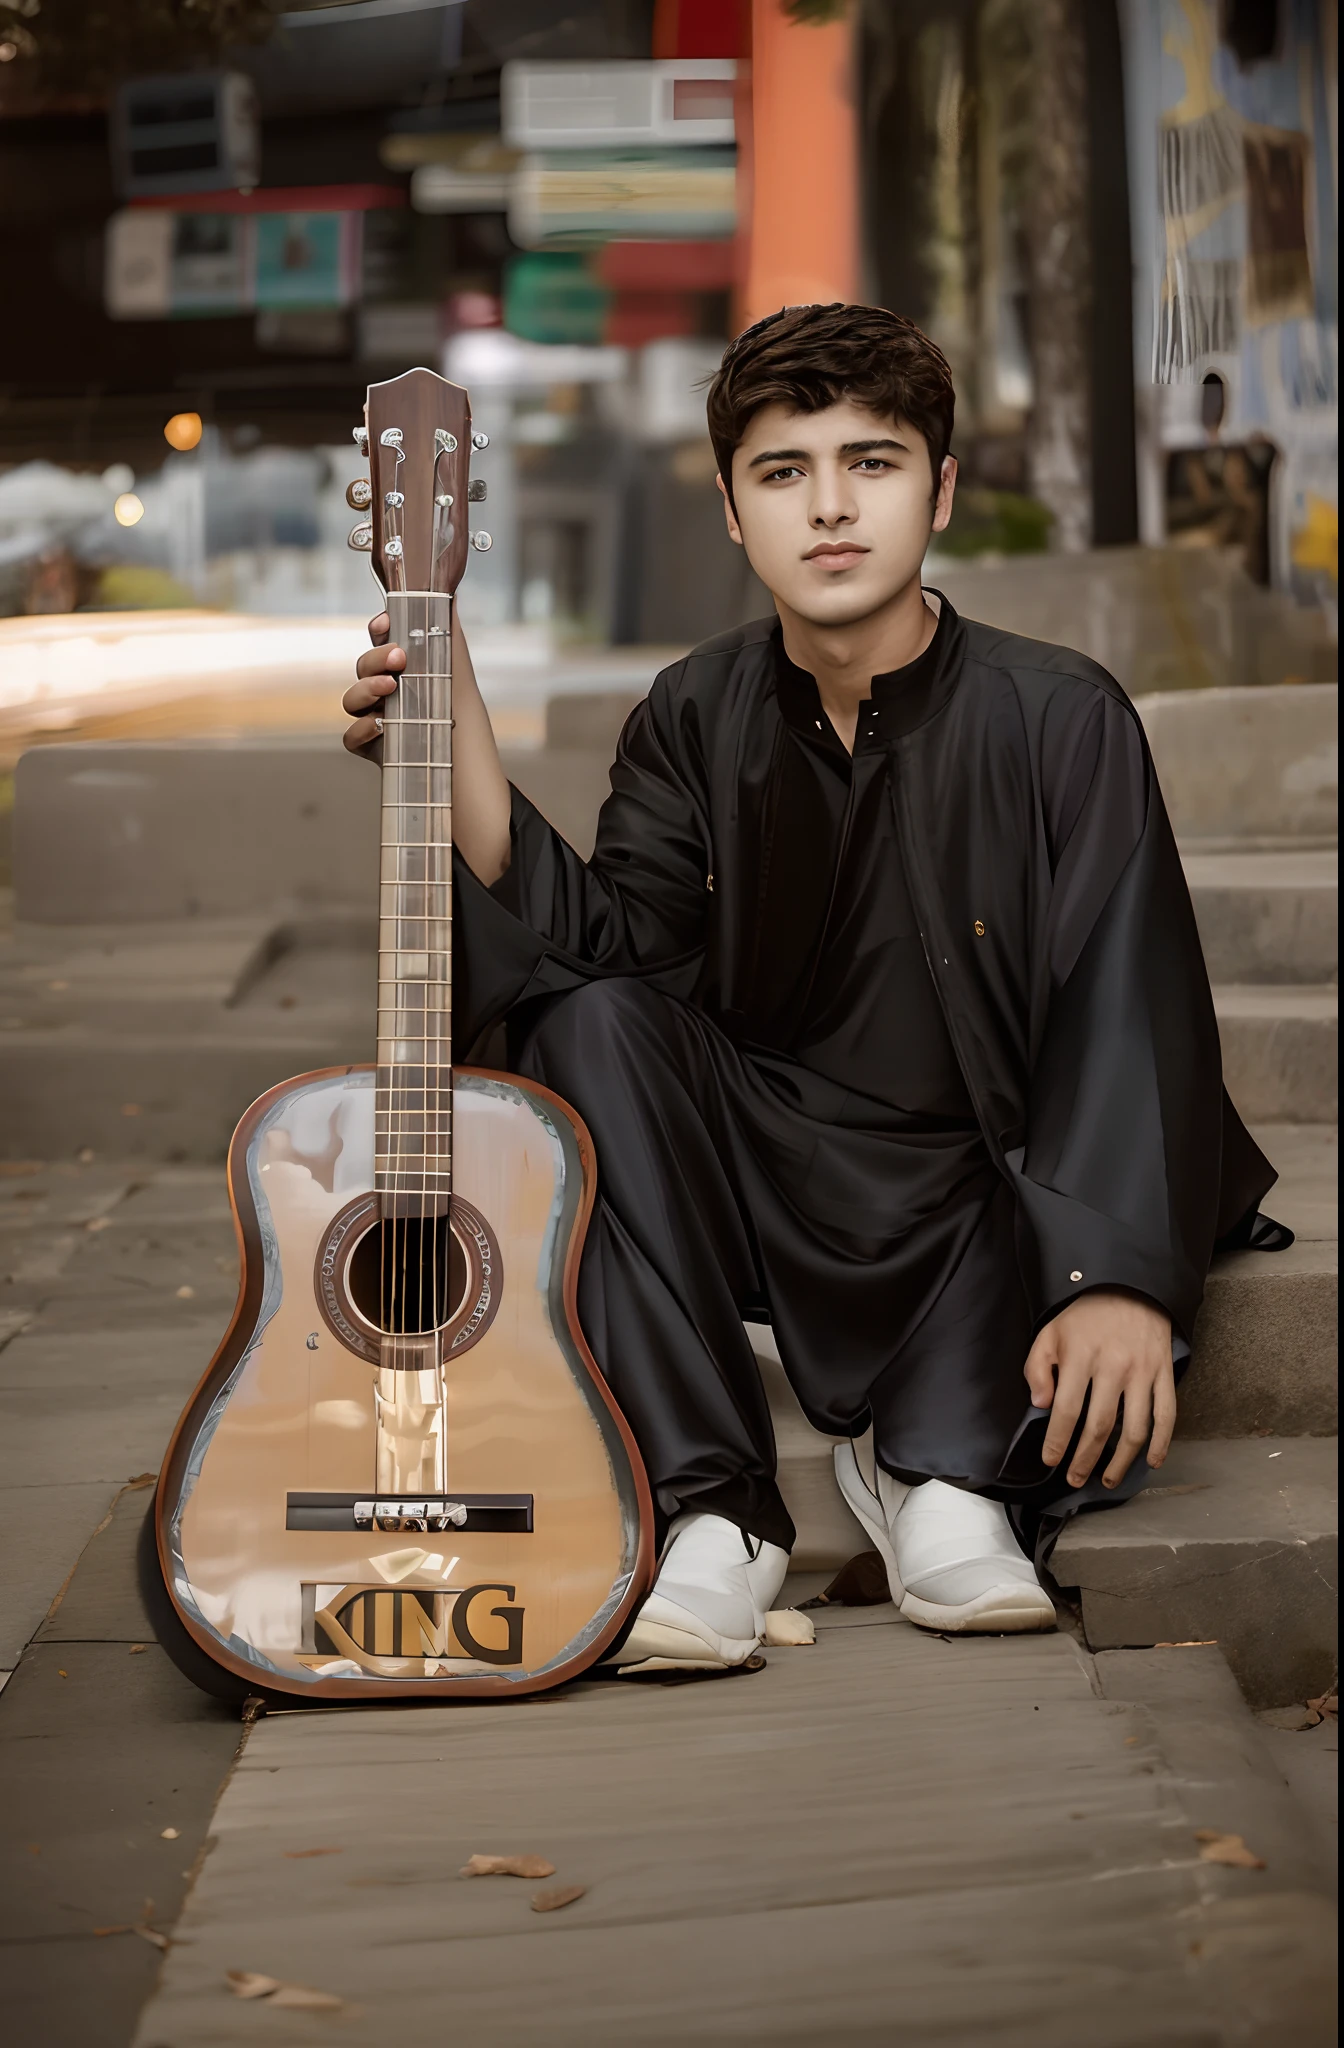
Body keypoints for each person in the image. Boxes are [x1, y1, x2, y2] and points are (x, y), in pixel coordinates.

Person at [343, 304, 1286, 1674]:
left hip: (979, 1174)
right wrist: (449, 716)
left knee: (1018, 1176)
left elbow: (1123, 1006)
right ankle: (715, 1507)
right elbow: (608, 949)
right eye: (784, 473)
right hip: (768, 1166)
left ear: (941, 489)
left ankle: (939, 1475)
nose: (831, 509)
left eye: (875, 462)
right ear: (732, 509)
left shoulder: (1061, 714)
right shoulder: (691, 711)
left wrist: (1118, 1275)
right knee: (581, 1018)